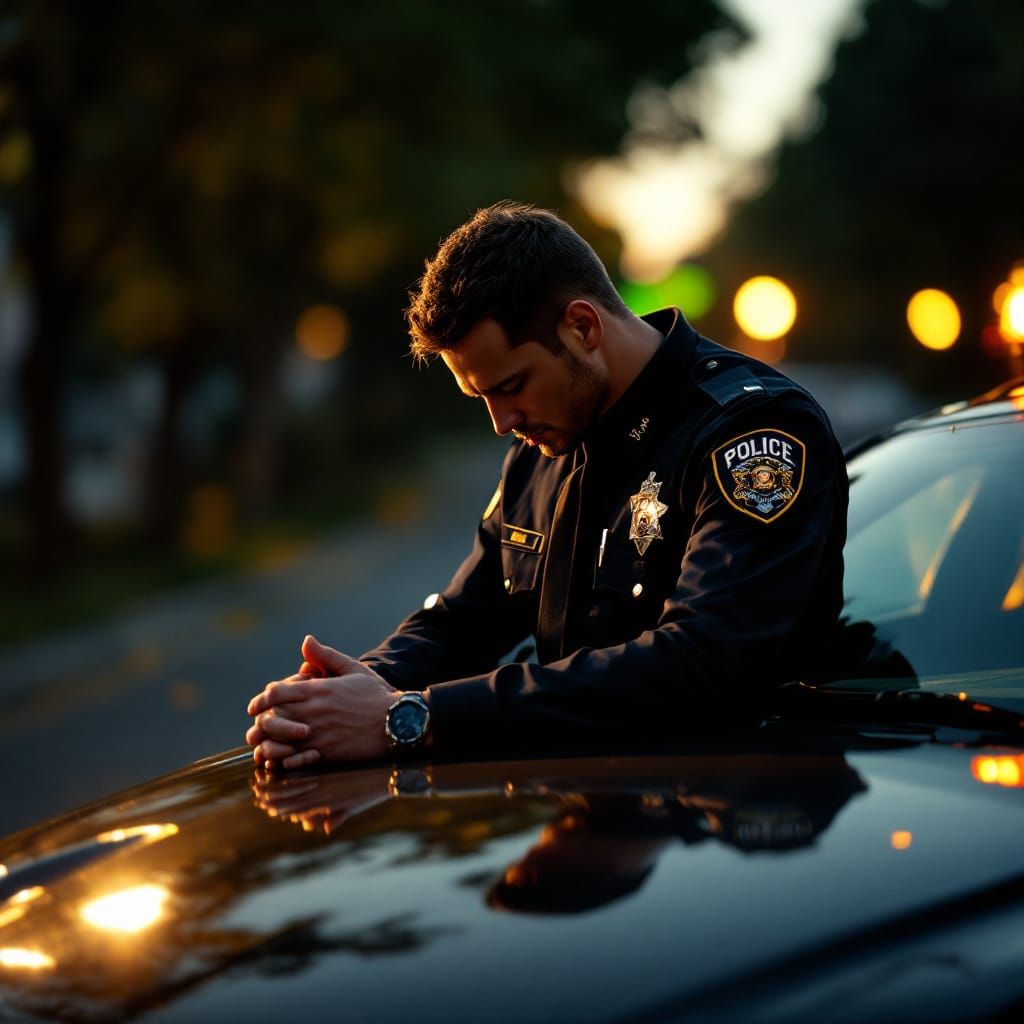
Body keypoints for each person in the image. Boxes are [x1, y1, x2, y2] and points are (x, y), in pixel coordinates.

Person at [246, 202, 848, 768]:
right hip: (583, 806)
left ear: (582, 327)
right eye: (482, 398)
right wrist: (344, 695)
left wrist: (413, 718)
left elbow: (703, 660)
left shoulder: (752, 431)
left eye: (511, 386)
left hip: (739, 808)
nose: (502, 422)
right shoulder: (542, 449)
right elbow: (465, 619)